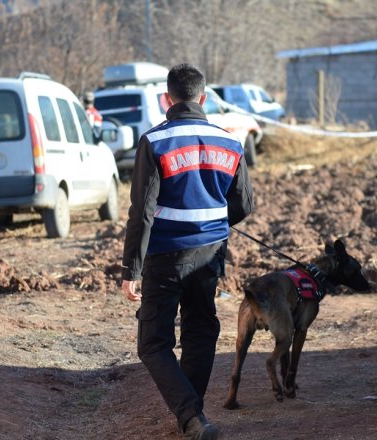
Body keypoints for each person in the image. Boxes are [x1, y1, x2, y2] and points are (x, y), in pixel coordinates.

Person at [121, 64, 254, 440]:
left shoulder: (154, 141)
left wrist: (130, 270)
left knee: (152, 343)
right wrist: (212, 224)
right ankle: (193, 416)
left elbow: (142, 212)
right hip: (210, 254)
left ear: (168, 98)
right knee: (200, 330)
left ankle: (192, 419)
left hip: (164, 257)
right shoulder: (229, 141)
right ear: (204, 97)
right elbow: (244, 204)